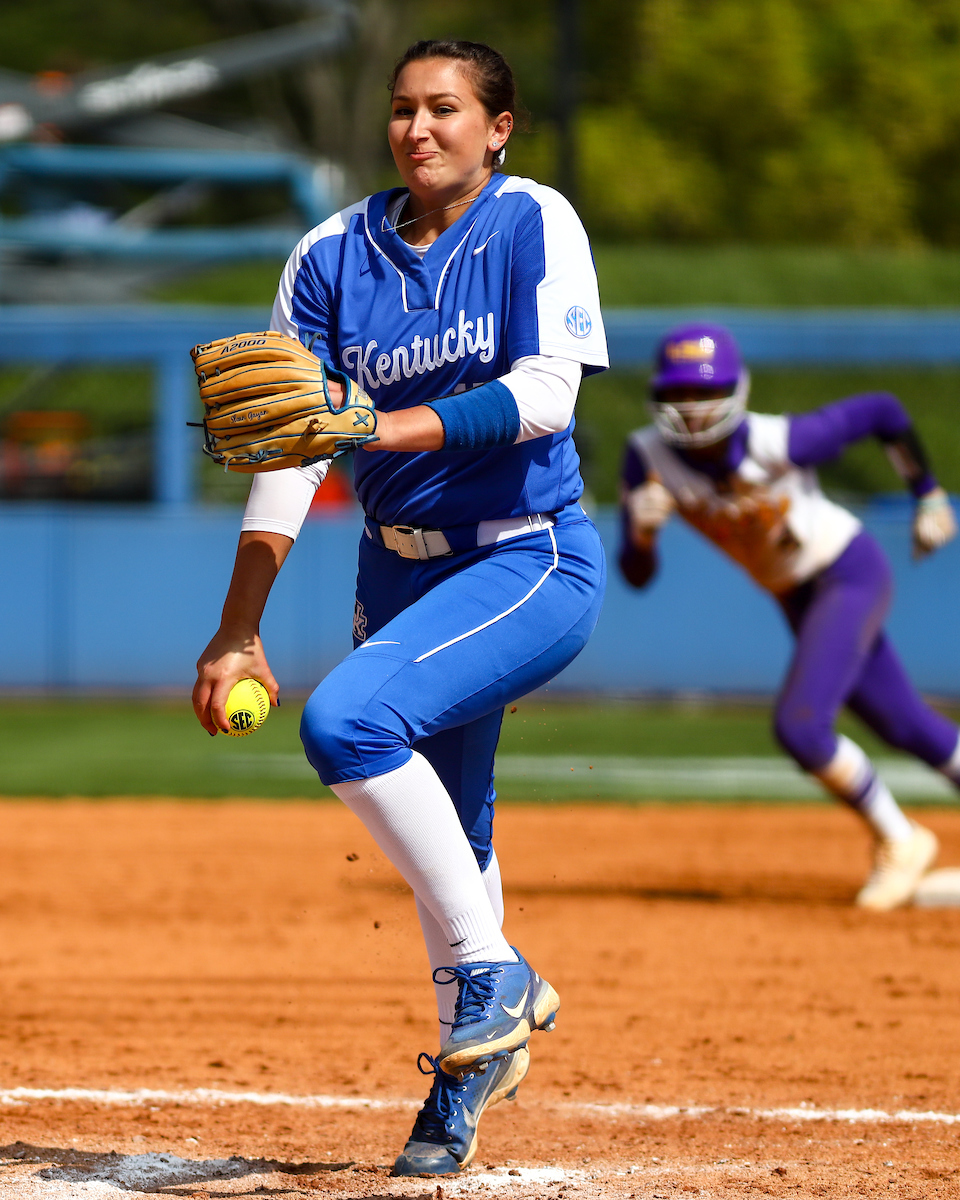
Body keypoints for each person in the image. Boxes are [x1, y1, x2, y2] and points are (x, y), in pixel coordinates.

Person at [192, 39, 607, 1176]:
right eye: (402, 110)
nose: (418, 129)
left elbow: (541, 397)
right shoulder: (331, 253)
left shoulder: (533, 222)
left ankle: (497, 980)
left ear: (499, 126)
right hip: (395, 569)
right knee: (454, 837)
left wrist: (374, 427)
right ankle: (467, 1075)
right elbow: (290, 449)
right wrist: (241, 624)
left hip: (528, 558)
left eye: (445, 109)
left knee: (346, 724)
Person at [619, 322, 959, 910]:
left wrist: (926, 492)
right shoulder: (645, 457)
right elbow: (637, 576)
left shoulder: (777, 442)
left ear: (735, 391)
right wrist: (642, 537)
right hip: (795, 594)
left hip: (846, 571)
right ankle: (901, 840)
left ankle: (901, 840)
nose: (693, 410)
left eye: (704, 393)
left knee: (802, 727)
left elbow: (882, 409)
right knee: (905, 725)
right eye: (680, 395)